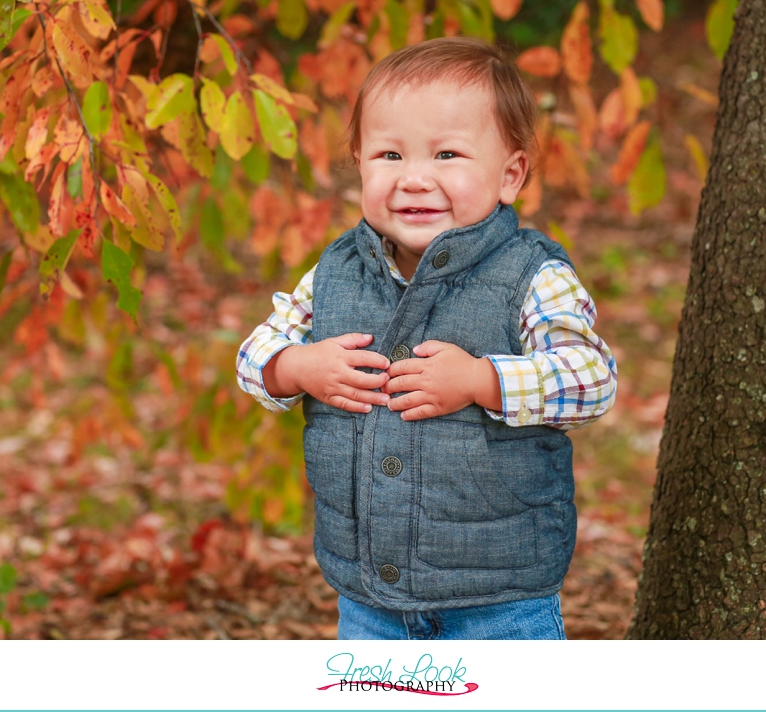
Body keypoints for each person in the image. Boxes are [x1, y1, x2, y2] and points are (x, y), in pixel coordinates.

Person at [236, 37, 617, 640]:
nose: (414, 179)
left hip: (500, 599)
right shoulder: (335, 273)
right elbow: (255, 356)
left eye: (446, 155)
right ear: (359, 162)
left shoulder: (531, 276)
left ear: (510, 174)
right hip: (367, 596)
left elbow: (591, 380)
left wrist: (480, 380)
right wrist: (299, 367)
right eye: (389, 155)